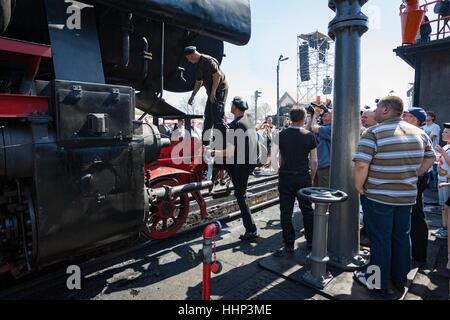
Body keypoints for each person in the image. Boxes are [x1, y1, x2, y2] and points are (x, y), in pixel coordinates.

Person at [353, 96, 436, 296]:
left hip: (378, 197)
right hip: (406, 196)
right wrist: (414, 174)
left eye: (377, 107)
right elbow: (431, 157)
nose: (374, 110)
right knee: (401, 236)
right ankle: (399, 278)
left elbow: (361, 164)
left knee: (379, 239)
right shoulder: (419, 132)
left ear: (386, 110)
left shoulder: (374, 132)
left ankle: (376, 281)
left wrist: (359, 187)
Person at [213, 97, 258, 240]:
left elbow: (229, 152)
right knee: (241, 194)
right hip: (249, 163)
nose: (230, 106)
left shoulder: (235, 125)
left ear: (235, 108)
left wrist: (212, 152)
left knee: (240, 196)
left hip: (240, 165)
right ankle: (251, 228)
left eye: (232, 104)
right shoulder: (248, 121)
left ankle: (251, 230)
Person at [277, 107, 317, 253]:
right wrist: (311, 178)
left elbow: (279, 158)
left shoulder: (281, 135)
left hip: (286, 177)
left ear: (291, 118)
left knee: (285, 212)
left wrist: (281, 170)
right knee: (307, 210)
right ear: (303, 118)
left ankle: (288, 243)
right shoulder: (309, 136)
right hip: (302, 177)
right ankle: (311, 241)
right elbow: (314, 161)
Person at [402, 107, 431, 264]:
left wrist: (415, 174)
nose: (403, 118)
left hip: (416, 180)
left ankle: (418, 254)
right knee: (416, 215)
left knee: (416, 216)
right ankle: (418, 253)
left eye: (406, 115)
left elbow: (431, 158)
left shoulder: (416, 134)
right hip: (418, 178)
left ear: (414, 119)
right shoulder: (418, 134)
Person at [184, 46, 228, 147]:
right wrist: (193, 95)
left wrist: (213, 93)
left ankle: (221, 144)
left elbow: (217, 76)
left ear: (192, 55)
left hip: (220, 89)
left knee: (217, 115)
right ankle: (205, 144)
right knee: (208, 116)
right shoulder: (198, 65)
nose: (189, 61)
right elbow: (199, 82)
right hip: (211, 91)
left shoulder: (208, 61)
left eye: (188, 59)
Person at [306, 109, 332, 187]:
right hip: (316, 165)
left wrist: (315, 116)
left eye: (329, 112)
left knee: (324, 192)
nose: (325, 113)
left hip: (326, 166)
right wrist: (311, 117)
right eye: (324, 112)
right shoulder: (321, 127)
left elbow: (313, 128)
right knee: (315, 191)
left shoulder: (331, 128)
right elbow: (306, 131)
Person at [433, 123, 450, 240]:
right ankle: (444, 228)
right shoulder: (446, 146)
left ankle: (447, 230)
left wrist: (442, 153)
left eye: (445, 132)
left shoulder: (445, 149)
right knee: (443, 206)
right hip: (441, 178)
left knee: (447, 206)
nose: (443, 133)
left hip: (447, 181)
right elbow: (441, 161)